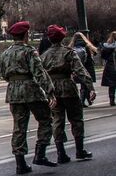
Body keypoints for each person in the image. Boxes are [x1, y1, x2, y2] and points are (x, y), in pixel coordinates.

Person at [0, 21, 57, 174]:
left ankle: (20, 163)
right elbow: (39, 72)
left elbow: (3, 74)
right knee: (46, 119)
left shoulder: (5, 53)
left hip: (13, 91)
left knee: (19, 126)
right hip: (31, 90)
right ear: (25, 35)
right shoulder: (29, 51)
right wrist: (49, 91)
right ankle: (40, 154)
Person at [40, 25, 94, 162]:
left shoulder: (44, 56)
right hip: (68, 87)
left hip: (52, 89)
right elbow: (80, 71)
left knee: (57, 120)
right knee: (76, 118)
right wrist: (90, 87)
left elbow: (40, 75)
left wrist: (46, 91)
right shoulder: (68, 52)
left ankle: (61, 153)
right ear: (62, 38)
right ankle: (79, 150)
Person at [69, 32, 98, 106]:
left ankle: (86, 99)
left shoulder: (71, 46)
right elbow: (95, 52)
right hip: (88, 66)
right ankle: (83, 100)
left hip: (78, 67)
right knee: (86, 83)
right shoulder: (87, 45)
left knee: (83, 84)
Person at [101, 31, 116, 106]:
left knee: (111, 84)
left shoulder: (106, 46)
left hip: (110, 65)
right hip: (113, 64)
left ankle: (112, 100)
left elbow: (103, 55)